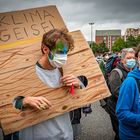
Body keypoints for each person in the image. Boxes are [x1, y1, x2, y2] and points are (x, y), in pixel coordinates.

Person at [13, 29, 86, 140]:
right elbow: (9, 103)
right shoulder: (23, 72)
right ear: (45, 49)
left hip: (65, 133)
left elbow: (85, 93)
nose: (64, 57)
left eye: (66, 53)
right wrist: (25, 101)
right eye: (60, 52)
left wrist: (78, 84)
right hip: (37, 135)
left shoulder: (65, 70)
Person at [107, 48, 136, 140]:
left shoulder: (133, 71)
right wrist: (134, 98)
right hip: (116, 107)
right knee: (120, 132)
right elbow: (116, 92)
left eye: (133, 57)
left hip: (129, 108)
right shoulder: (116, 73)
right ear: (122, 60)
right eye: (129, 58)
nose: (132, 60)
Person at [116, 45, 140, 140]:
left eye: (131, 58)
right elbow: (121, 112)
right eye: (128, 58)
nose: (131, 60)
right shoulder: (130, 82)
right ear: (137, 59)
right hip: (132, 135)